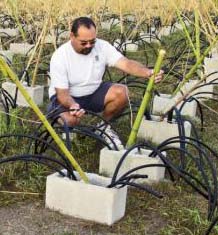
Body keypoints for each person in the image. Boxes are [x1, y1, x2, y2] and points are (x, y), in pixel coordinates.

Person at [48, 16, 164, 148]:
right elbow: (62, 94)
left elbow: (126, 64)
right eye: (84, 42)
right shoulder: (60, 56)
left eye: (92, 41)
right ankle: (65, 122)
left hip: (93, 93)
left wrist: (147, 72)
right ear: (72, 36)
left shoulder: (102, 46)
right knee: (71, 121)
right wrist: (73, 105)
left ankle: (104, 126)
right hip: (67, 97)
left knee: (122, 92)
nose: (89, 46)